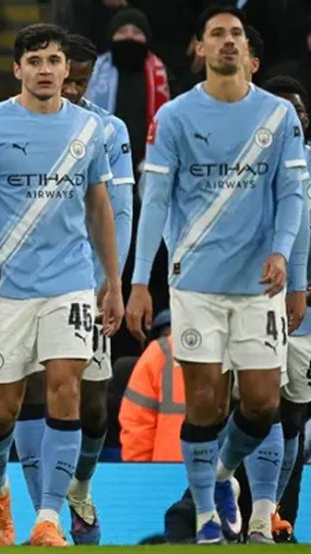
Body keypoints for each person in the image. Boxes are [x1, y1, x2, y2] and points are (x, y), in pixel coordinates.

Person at [126, 6, 308, 544]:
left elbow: (293, 196)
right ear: (200, 48)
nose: (228, 41)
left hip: (259, 284)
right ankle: (207, 514)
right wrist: (140, 281)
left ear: (247, 50)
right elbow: (155, 201)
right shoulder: (175, 117)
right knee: (206, 402)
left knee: (263, 402)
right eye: (217, 34)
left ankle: (223, 472)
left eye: (236, 33)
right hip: (195, 283)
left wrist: (284, 258)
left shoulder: (278, 116)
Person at [0, 23, 123, 547]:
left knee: (66, 388)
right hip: (5, 285)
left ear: (66, 68)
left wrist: (113, 280)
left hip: (70, 282)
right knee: (1, 409)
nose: (46, 70)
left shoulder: (90, 129)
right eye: (34, 61)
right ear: (18, 69)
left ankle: (48, 518)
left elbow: (99, 206)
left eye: (54, 60)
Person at [10, 32, 134, 546]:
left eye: (82, 80)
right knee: (35, 391)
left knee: (93, 404)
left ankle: (79, 487)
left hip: (88, 282)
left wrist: (112, 280)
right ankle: (48, 514)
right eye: (70, 79)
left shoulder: (108, 130)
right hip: (27, 284)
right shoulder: (8, 122)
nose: (74, 89)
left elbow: (119, 212)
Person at [259, 74, 311, 541]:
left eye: (294, 111)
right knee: (256, 412)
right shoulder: (244, 165)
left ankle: (280, 516)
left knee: (294, 418)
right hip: (254, 306)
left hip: (305, 318)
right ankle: (246, 515)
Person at [84, 8, 170, 169]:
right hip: (103, 164)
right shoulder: (92, 74)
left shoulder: (163, 76)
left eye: (137, 32)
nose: (129, 37)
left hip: (148, 163)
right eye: (122, 31)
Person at [119, 310, 185, 462]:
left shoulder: (159, 352)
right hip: (221, 469)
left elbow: (137, 425)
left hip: (167, 469)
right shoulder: (159, 353)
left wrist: (141, 472)